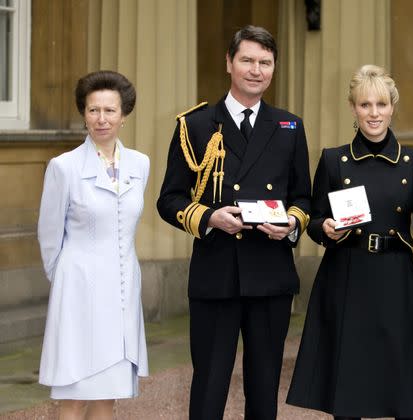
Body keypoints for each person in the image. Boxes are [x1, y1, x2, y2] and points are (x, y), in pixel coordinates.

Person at [156, 25, 311, 420]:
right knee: (208, 388)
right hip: (216, 275)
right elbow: (169, 198)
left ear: (273, 68)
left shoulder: (289, 126)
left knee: (264, 391)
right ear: (229, 63)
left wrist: (290, 225)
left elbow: (303, 198)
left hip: (269, 276)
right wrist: (209, 217)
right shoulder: (195, 125)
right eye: (247, 60)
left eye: (265, 62)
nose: (256, 70)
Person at [287, 64, 413, 420]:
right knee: (348, 383)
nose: (374, 113)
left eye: (382, 105)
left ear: (392, 107)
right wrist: (325, 228)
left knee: (402, 384)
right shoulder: (333, 159)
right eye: (365, 105)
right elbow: (312, 219)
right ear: (353, 108)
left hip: (395, 278)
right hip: (346, 276)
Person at [37, 70, 150, 419]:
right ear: (83, 113)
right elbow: (49, 237)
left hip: (121, 290)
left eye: (110, 111)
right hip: (78, 295)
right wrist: (69, 285)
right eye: (93, 110)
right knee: (74, 396)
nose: (101, 119)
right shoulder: (64, 167)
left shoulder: (140, 164)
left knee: (107, 395)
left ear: (124, 114)